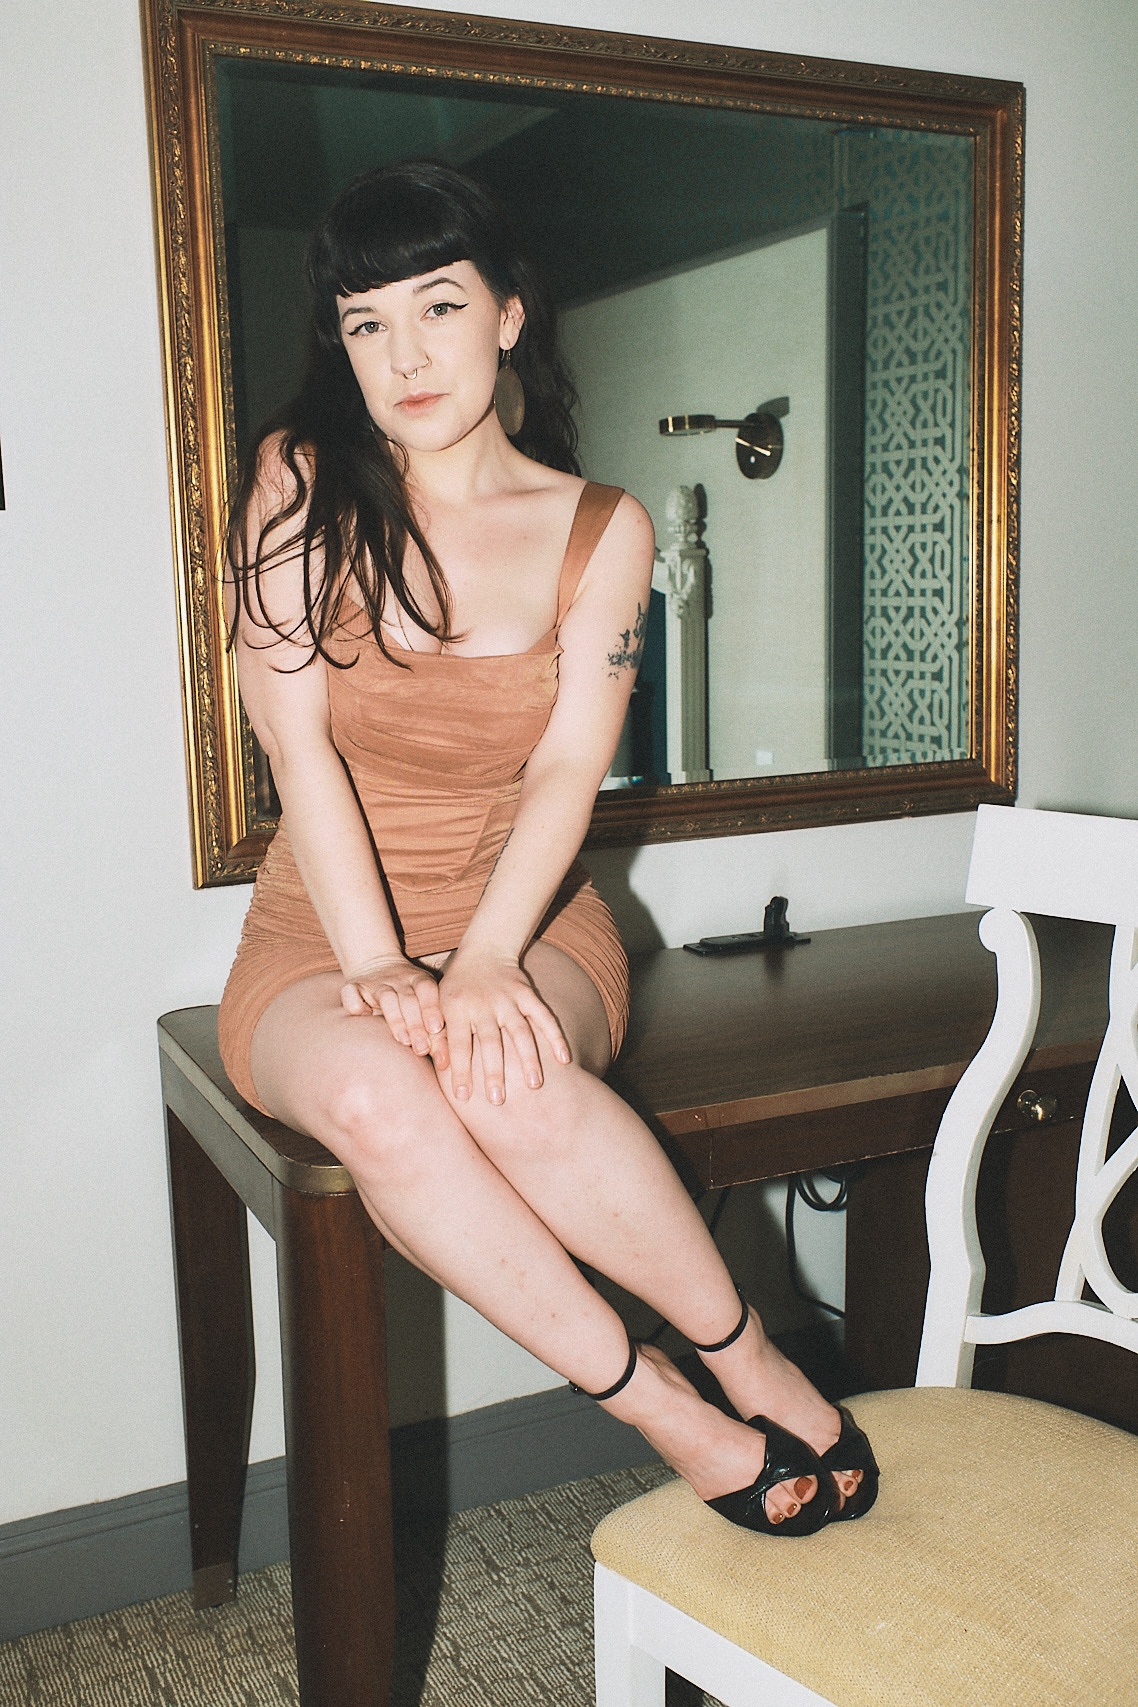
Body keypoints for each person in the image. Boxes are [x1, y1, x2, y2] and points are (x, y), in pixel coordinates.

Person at [218, 160, 877, 1536]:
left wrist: (486, 960)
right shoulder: (298, 480)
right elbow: (298, 748)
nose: (403, 356)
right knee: (386, 1103)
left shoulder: (602, 529)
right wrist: (382, 965)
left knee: (507, 1077)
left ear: (509, 314)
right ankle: (658, 1402)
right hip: (318, 932)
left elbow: (573, 767)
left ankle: (747, 1351)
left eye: (438, 306)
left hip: (525, 913)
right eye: (365, 323)